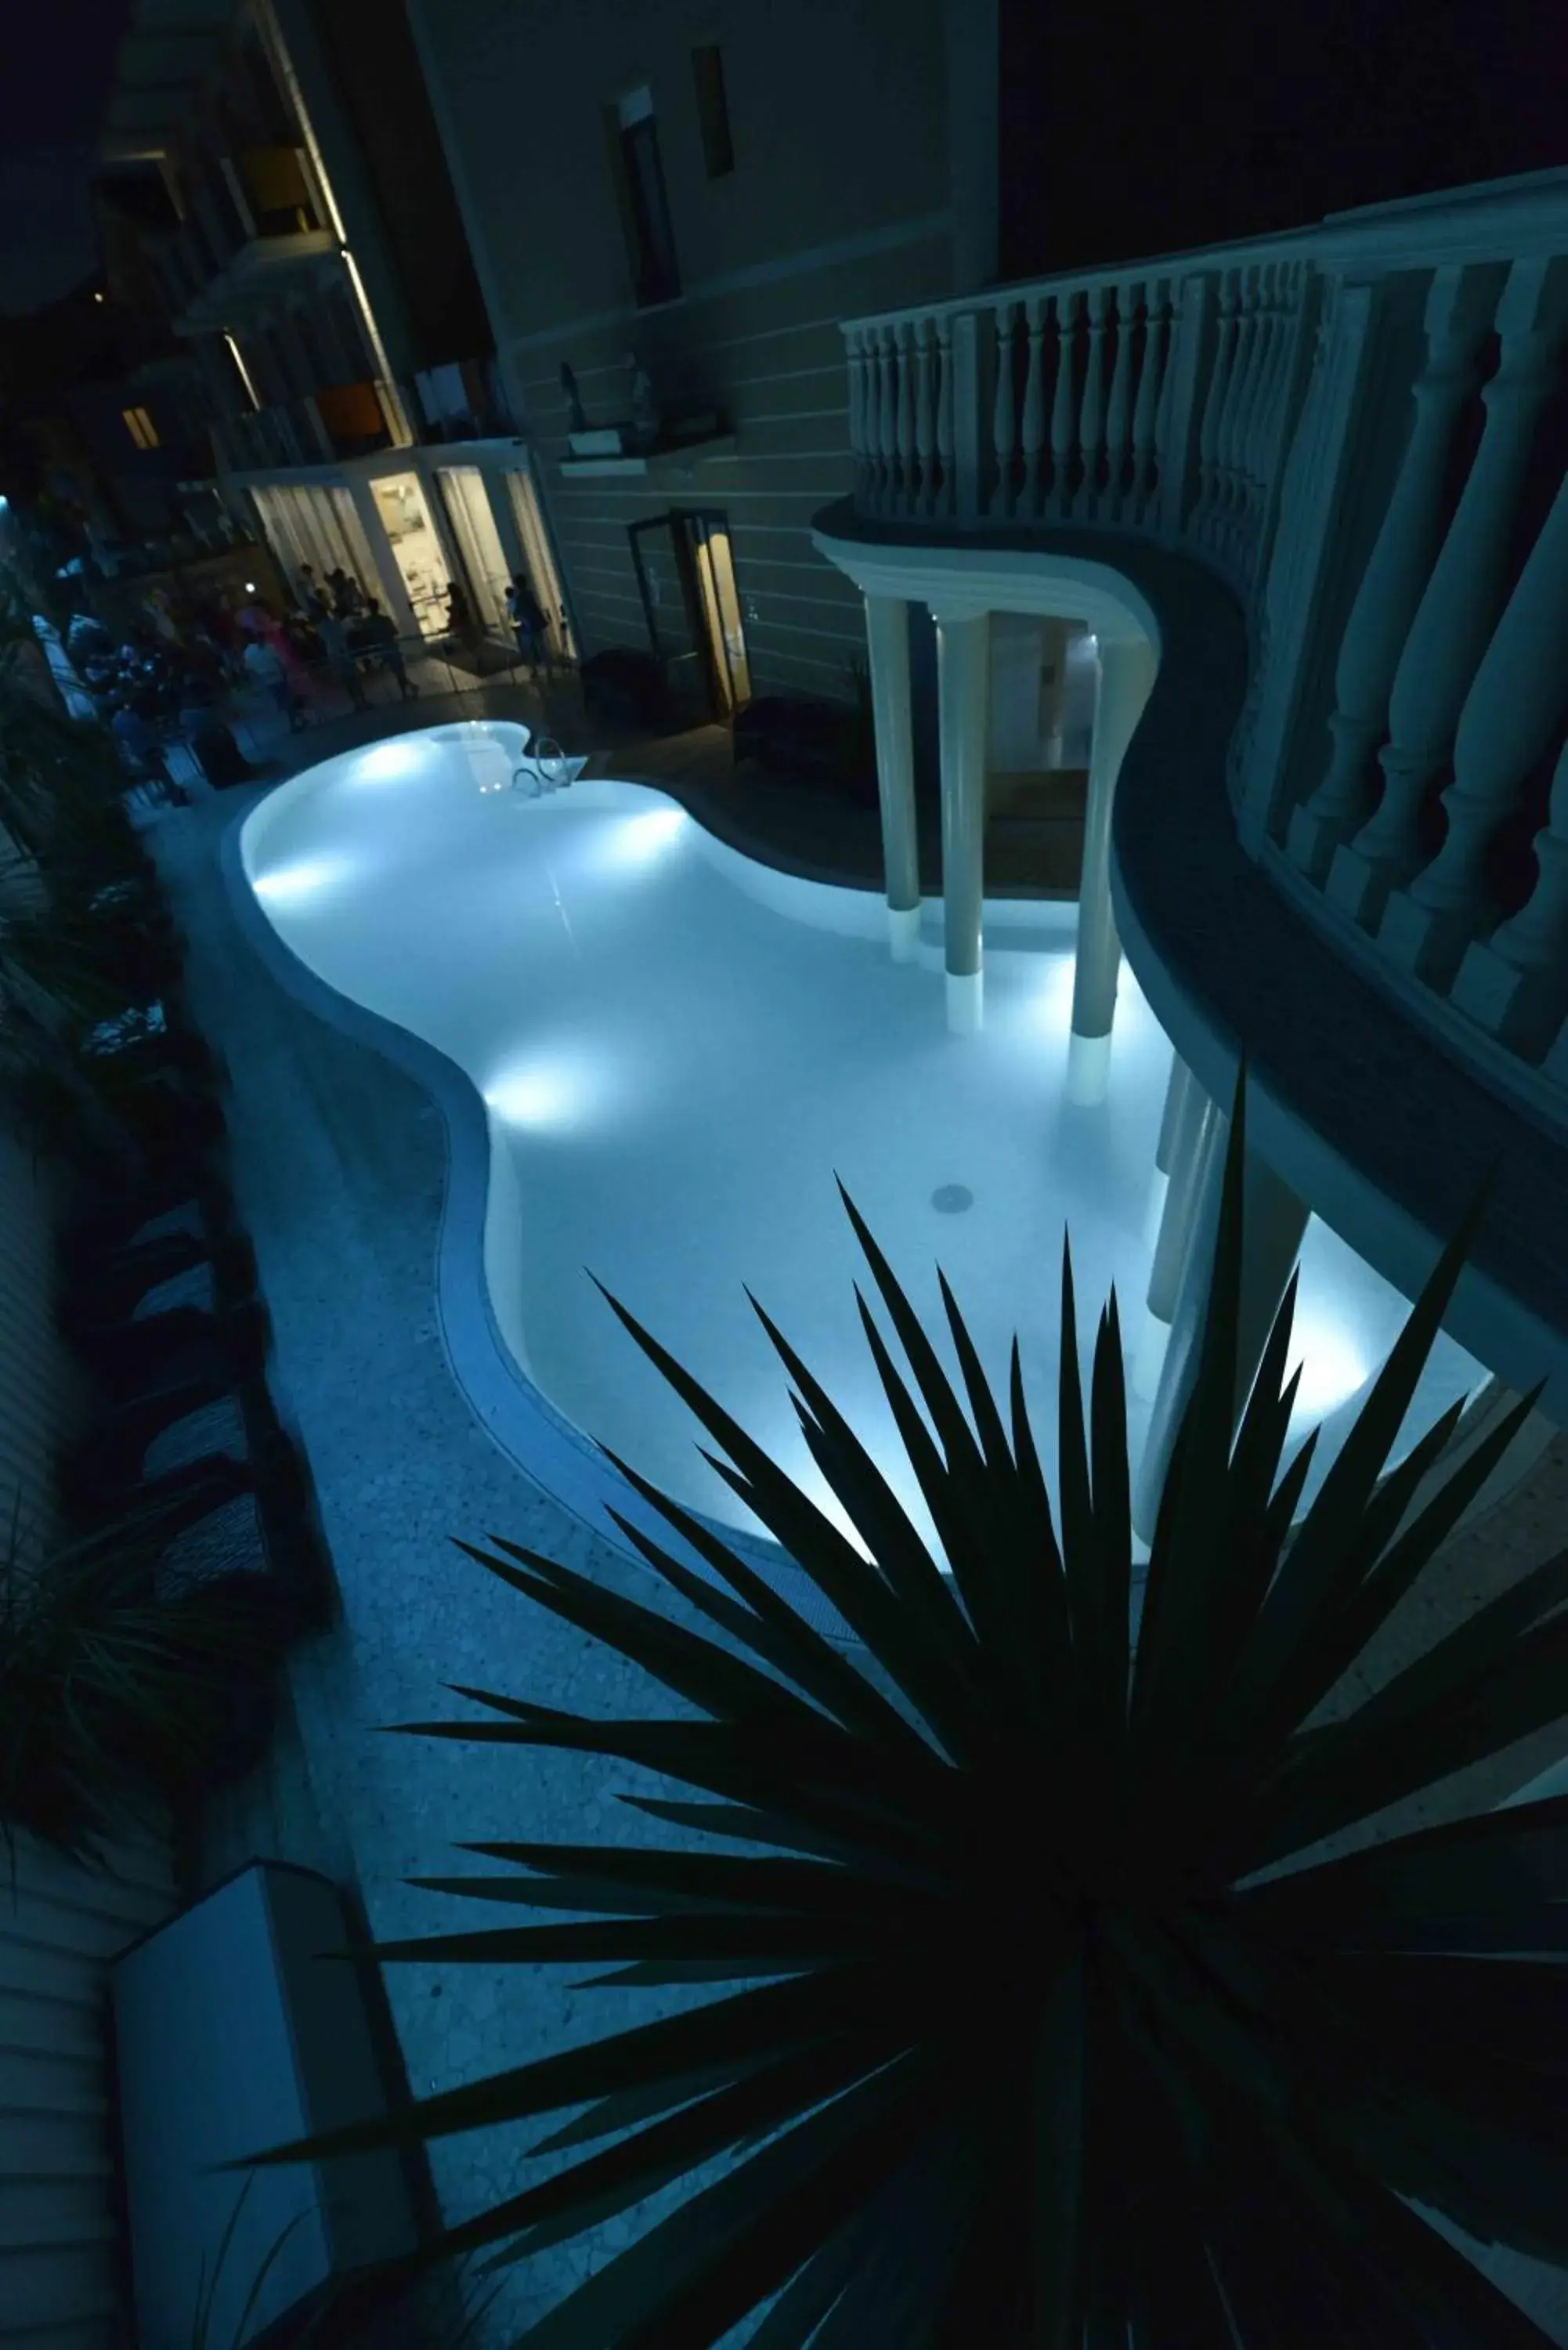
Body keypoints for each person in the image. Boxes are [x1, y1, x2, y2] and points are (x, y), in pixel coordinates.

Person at [243, 631, 306, 731]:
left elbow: (250, 669)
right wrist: (285, 672)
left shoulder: (249, 652)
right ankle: (296, 720)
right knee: (286, 700)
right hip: (277, 676)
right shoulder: (269, 648)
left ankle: (295, 720)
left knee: (283, 701)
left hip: (266, 678)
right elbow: (279, 661)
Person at [359, 596, 417, 700]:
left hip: (379, 650)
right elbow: (394, 632)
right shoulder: (385, 620)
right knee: (399, 671)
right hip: (390, 647)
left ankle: (408, 690)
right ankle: (406, 691)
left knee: (397, 672)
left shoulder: (367, 623)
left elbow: (366, 638)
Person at [315, 605, 367, 710]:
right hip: (343, 652)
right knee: (353, 678)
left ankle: (357, 703)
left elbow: (322, 641)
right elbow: (344, 634)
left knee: (347, 680)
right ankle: (363, 701)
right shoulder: (335, 623)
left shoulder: (321, 627)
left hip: (334, 654)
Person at [505, 574, 548, 678]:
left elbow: (516, 613)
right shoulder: (531, 595)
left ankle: (534, 671)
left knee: (529, 649)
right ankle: (548, 669)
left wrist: (515, 624)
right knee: (541, 646)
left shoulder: (519, 599)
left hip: (526, 627)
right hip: (536, 624)